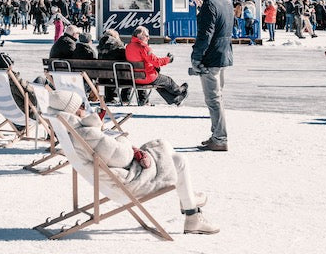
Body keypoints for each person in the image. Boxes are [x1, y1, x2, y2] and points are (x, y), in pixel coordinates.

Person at [49, 89, 218, 235]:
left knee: (171, 153)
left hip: (117, 177)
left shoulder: (73, 131)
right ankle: (192, 213)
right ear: (73, 111)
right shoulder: (86, 134)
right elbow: (123, 156)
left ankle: (189, 201)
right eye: (81, 106)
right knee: (179, 160)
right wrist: (121, 138)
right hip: (128, 182)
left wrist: (101, 131)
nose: (85, 108)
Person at [191, 0, 234, 151]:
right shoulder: (226, 1)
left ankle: (220, 138)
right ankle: (217, 135)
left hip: (210, 57)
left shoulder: (209, 4)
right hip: (224, 54)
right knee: (218, 97)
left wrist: (196, 56)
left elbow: (205, 35)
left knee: (213, 99)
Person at [126, 26, 187, 105]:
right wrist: (168, 59)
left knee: (159, 83)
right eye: (147, 36)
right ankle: (179, 90)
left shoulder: (128, 46)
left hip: (135, 77)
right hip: (147, 76)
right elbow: (156, 62)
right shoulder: (143, 47)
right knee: (167, 80)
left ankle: (174, 99)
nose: (148, 38)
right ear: (139, 36)